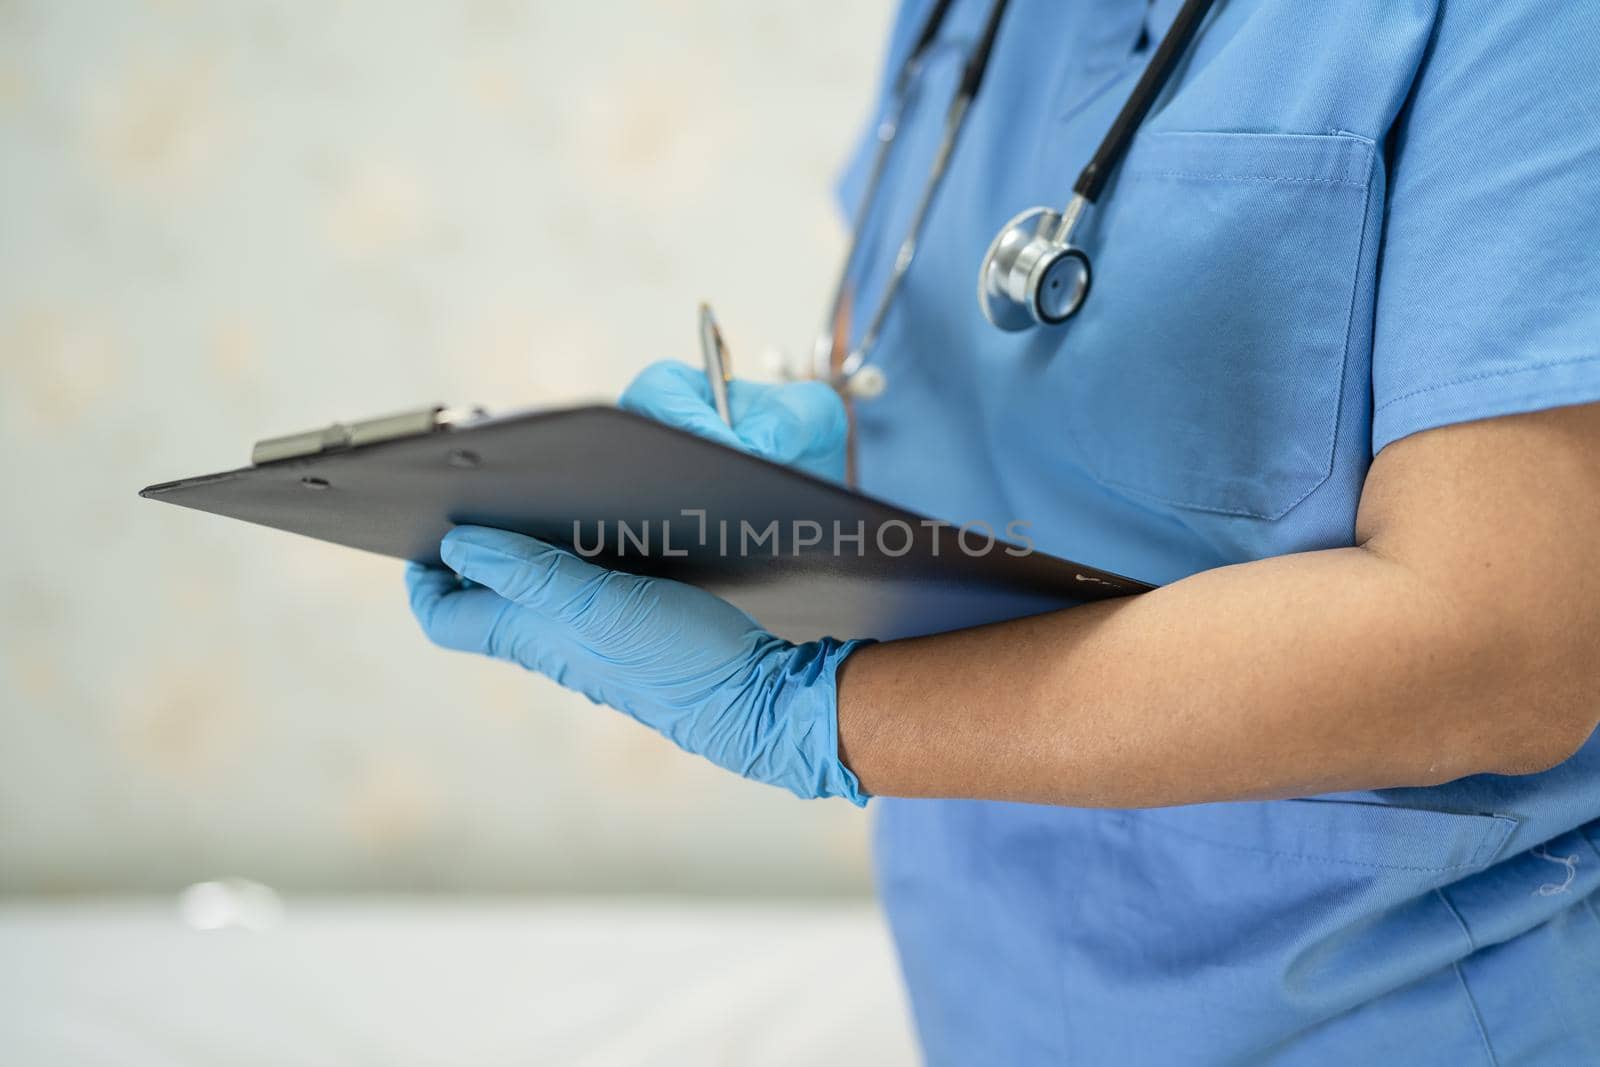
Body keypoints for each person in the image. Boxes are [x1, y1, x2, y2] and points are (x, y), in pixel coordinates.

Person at [405, 1, 1600, 1061]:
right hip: (982, 981)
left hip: (1378, 1010)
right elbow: (927, 358)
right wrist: (818, 441)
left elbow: (1498, 649)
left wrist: (815, 712)